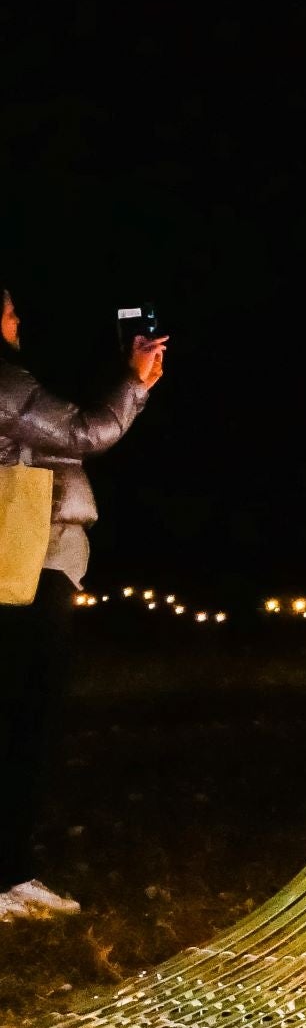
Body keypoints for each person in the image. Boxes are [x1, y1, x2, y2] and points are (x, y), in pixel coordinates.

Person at [0, 289, 166, 922]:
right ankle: (9, 877)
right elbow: (83, 431)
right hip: (26, 561)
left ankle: (11, 871)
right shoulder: (6, 381)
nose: (18, 317)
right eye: (9, 308)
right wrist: (136, 381)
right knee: (23, 720)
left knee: (17, 718)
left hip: (24, 561)